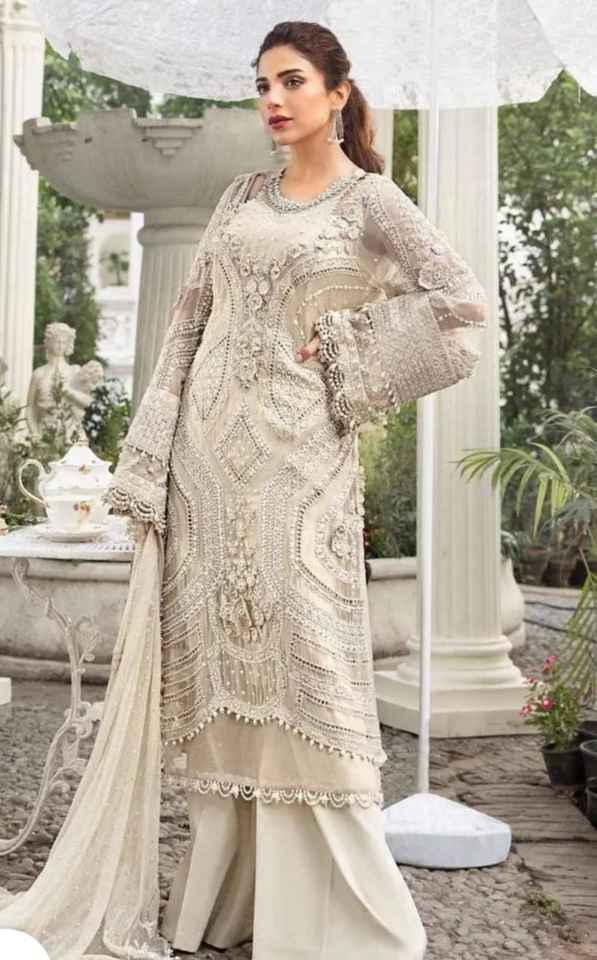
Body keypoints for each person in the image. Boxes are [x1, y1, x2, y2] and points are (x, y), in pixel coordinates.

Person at [0, 19, 486, 960]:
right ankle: (225, 903)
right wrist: (149, 455)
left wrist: (347, 347)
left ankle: (334, 915)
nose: (272, 99)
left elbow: (461, 305)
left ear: (337, 92)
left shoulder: (372, 201)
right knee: (217, 668)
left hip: (300, 466)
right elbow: (187, 325)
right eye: (262, 83)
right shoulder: (237, 196)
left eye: (292, 80)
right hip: (205, 466)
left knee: (306, 659)